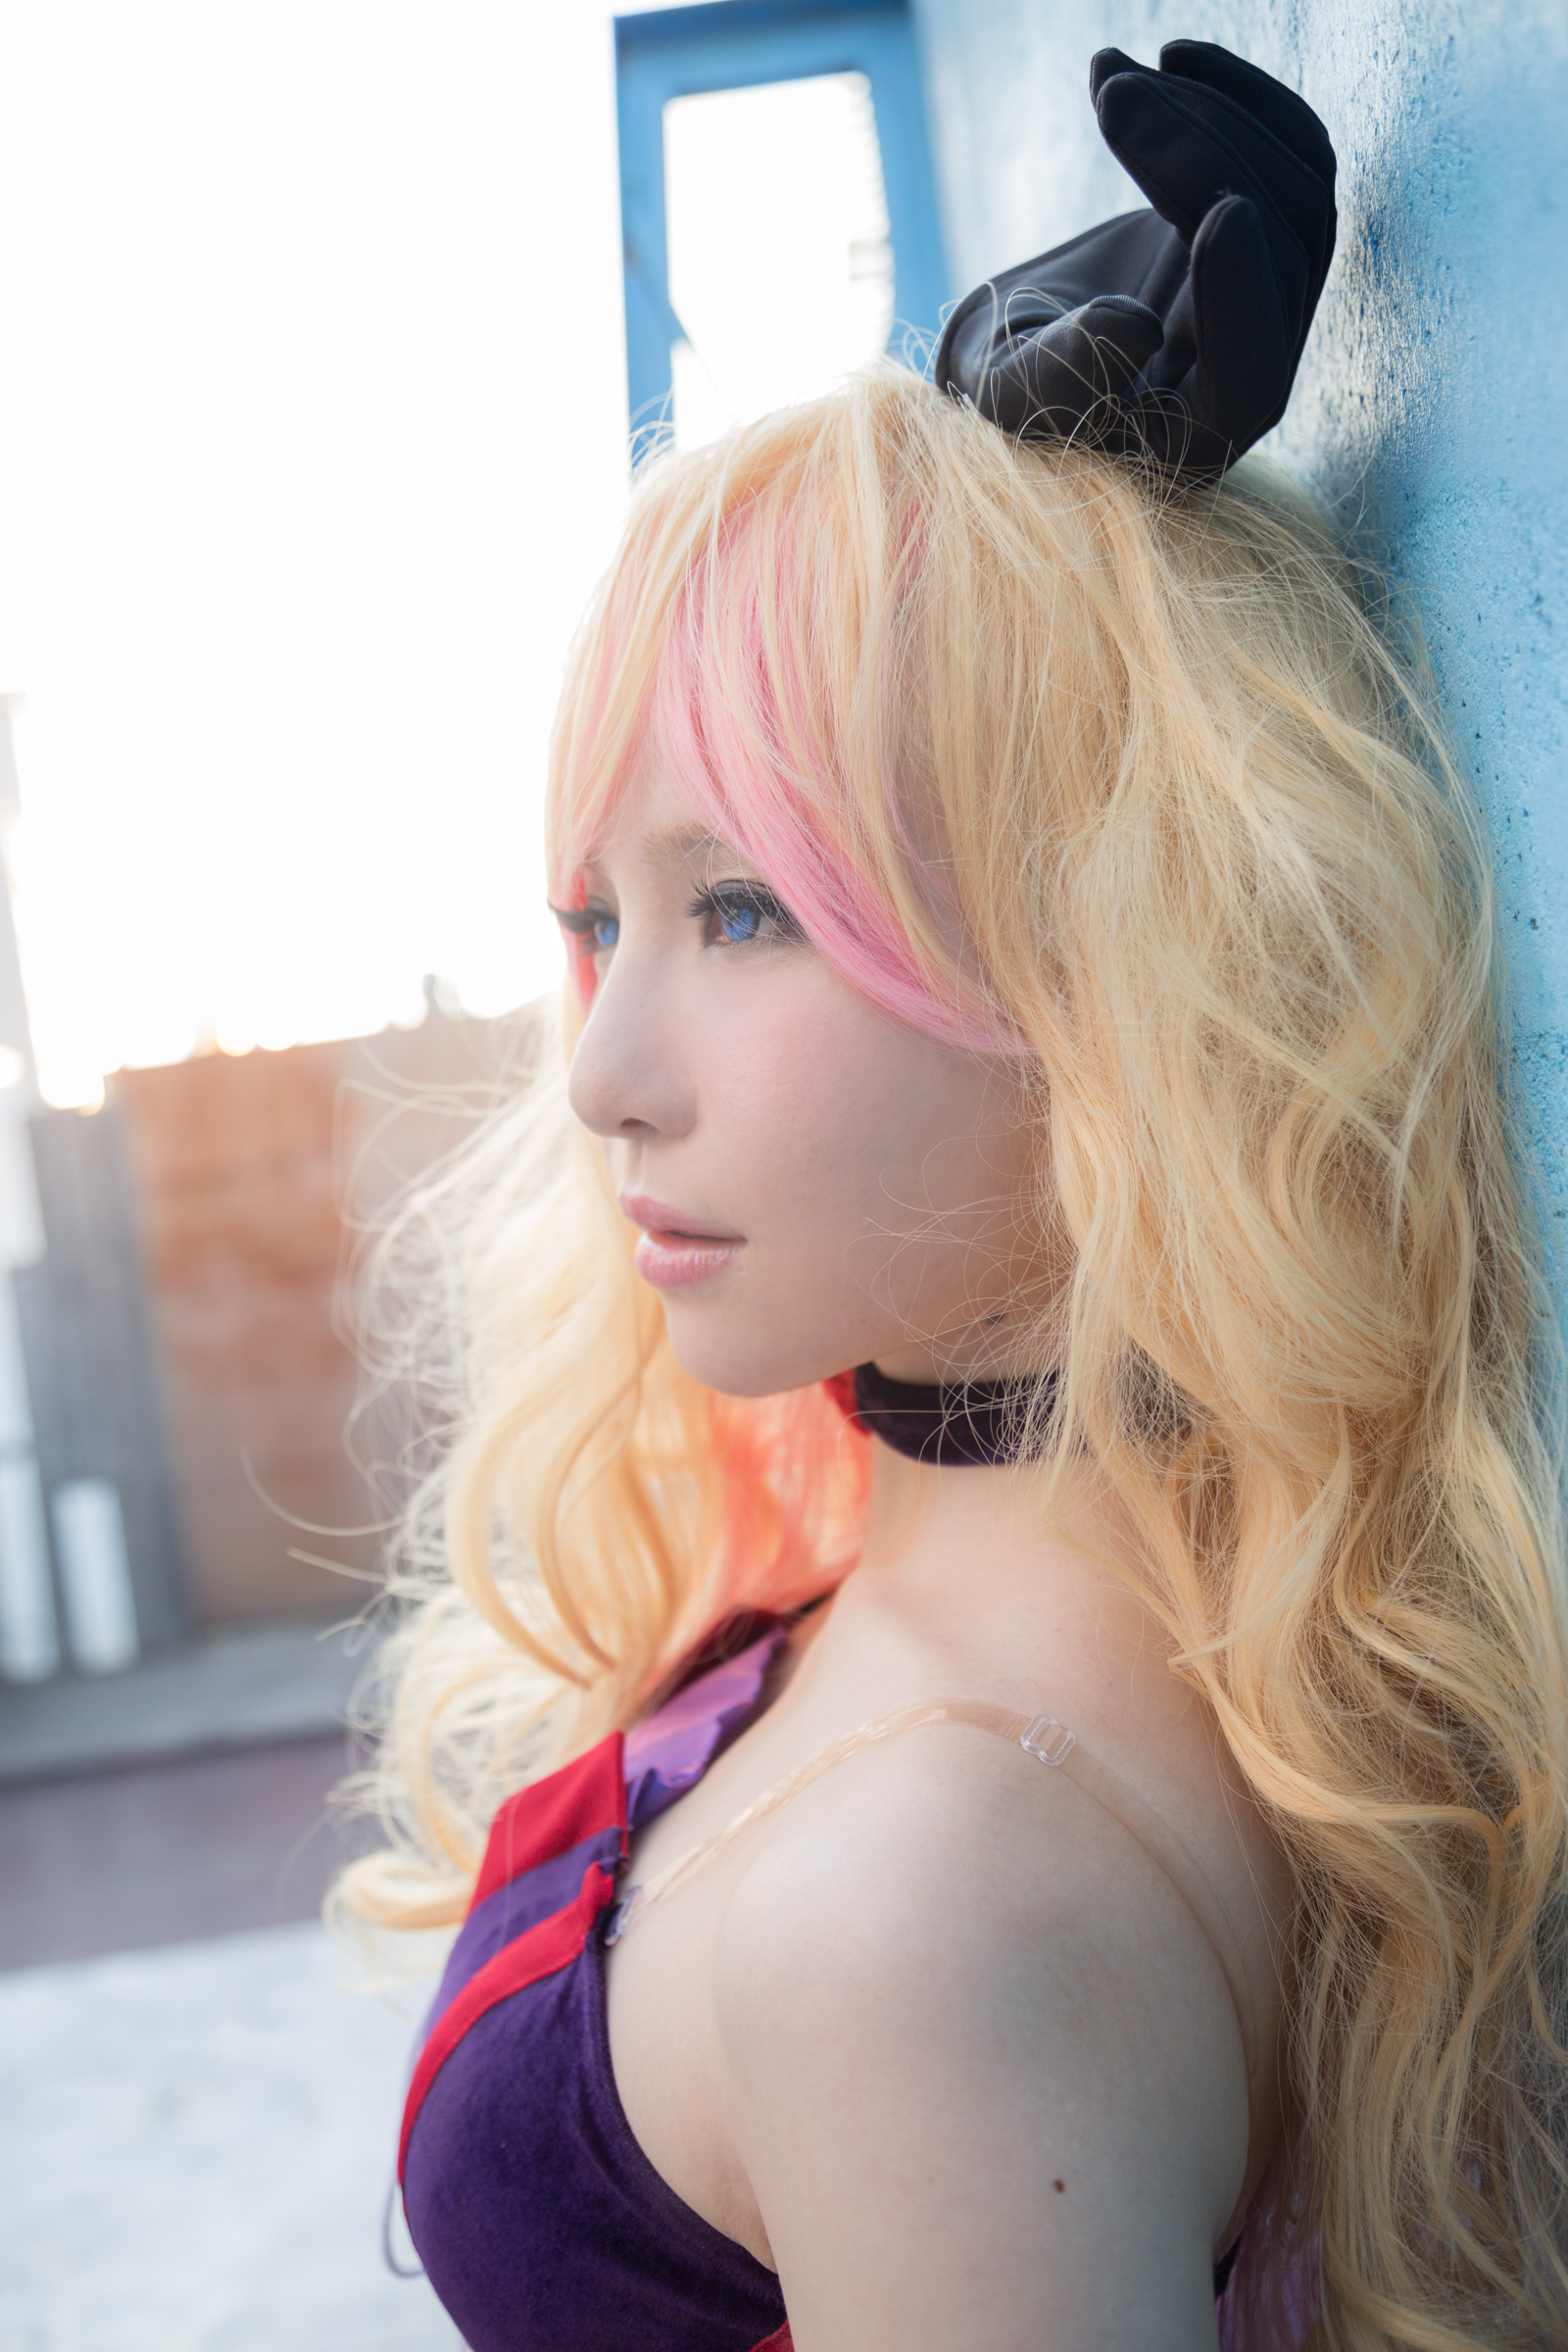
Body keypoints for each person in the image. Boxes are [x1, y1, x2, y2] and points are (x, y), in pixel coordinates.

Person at [339, 41, 1568, 2352]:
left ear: (1100, 952)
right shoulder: (1042, 1654)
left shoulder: (923, 1924)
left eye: (743, 910)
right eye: (598, 921)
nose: (600, 1077)